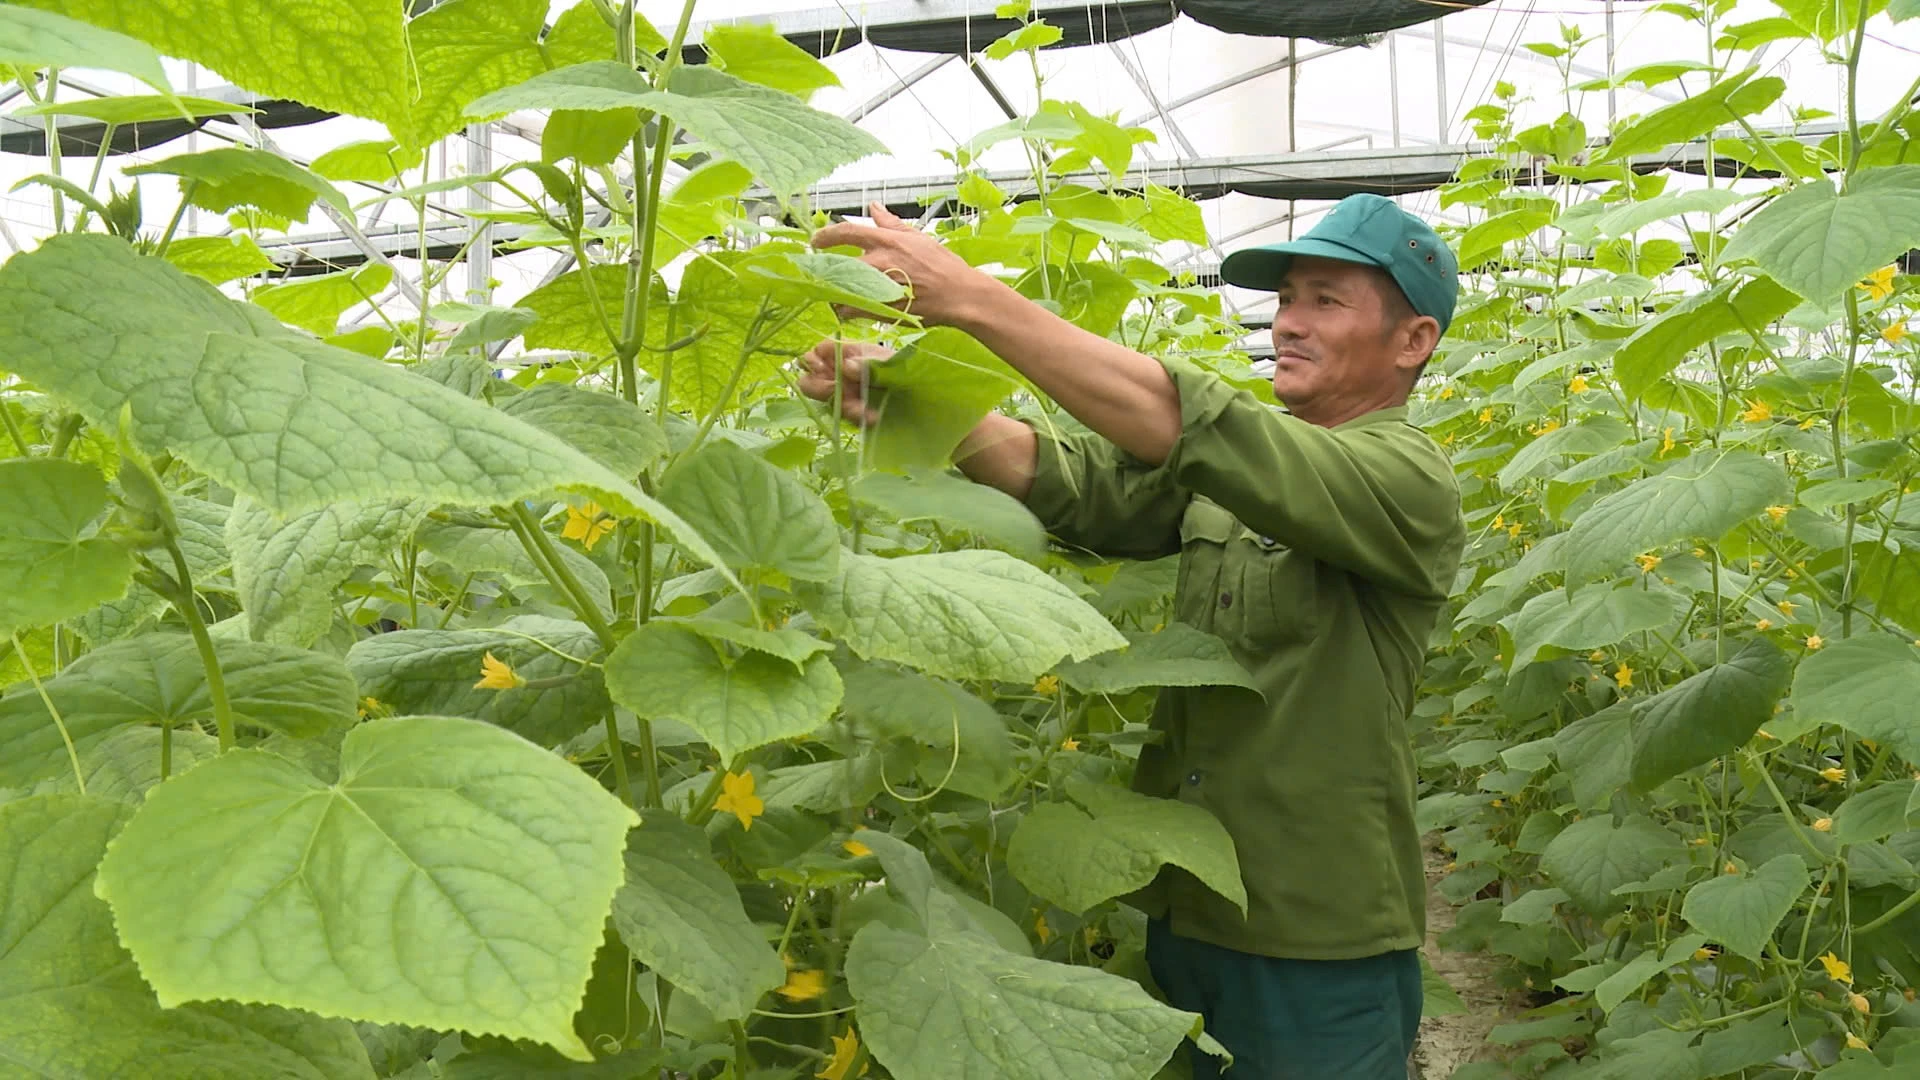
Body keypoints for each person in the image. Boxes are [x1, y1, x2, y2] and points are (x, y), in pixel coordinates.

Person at [798, 192, 1468, 1079]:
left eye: (1325, 301)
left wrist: (969, 298)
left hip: (1314, 937)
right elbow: (1077, 488)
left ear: (1413, 342)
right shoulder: (1254, 467)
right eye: (1287, 300)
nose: (1290, 323)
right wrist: (914, 398)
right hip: (1189, 910)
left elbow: (1200, 429)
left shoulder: (1406, 480)